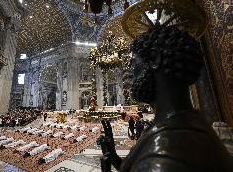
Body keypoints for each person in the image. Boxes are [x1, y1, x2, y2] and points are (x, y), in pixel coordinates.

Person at [97, 26, 233, 172]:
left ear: (155, 59)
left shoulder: (163, 159)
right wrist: (111, 152)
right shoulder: (182, 123)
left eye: (134, 64)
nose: (129, 75)